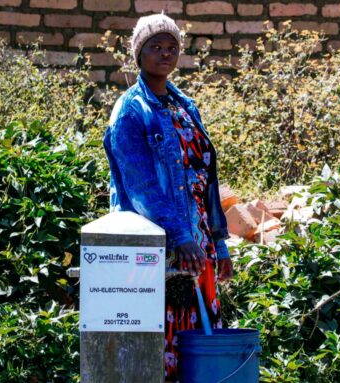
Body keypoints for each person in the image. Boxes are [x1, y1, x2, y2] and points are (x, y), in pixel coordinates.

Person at [103, 13, 233, 381]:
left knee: (200, 342)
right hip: (160, 245)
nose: (165, 53)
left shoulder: (185, 106)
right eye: (154, 47)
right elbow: (141, 186)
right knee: (158, 341)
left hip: (197, 241)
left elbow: (206, 179)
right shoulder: (131, 110)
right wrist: (179, 237)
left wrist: (217, 246)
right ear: (138, 55)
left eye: (171, 46)